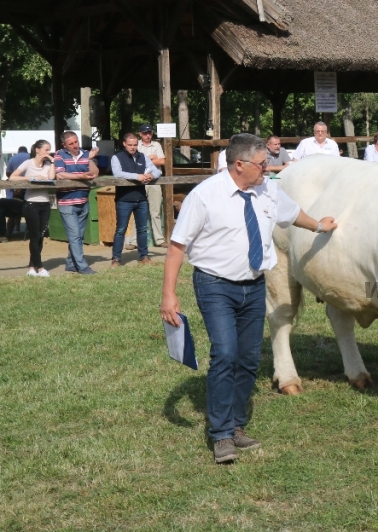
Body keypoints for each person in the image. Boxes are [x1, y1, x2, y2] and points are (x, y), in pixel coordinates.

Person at [160, 133, 338, 464]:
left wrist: (318, 225)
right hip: (216, 285)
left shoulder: (268, 189)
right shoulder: (205, 196)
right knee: (225, 354)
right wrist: (168, 295)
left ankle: (237, 425)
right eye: (262, 163)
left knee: (248, 358)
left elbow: (292, 213)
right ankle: (221, 434)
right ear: (239, 164)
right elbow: (176, 247)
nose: (268, 168)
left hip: (254, 285)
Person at [110, 132, 162, 267]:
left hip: (141, 199)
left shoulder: (143, 156)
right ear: (124, 144)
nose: (133, 147)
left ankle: (143, 256)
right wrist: (137, 176)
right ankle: (116, 258)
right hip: (124, 199)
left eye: (135, 145)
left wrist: (151, 176)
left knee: (142, 229)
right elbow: (117, 173)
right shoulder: (117, 157)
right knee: (121, 229)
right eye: (130, 145)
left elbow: (157, 171)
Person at [54, 131, 99, 275]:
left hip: (83, 200)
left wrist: (89, 159)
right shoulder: (59, 155)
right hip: (67, 201)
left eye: (76, 142)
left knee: (79, 235)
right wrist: (80, 176)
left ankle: (70, 263)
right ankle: (82, 266)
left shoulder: (85, 154)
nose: (75, 146)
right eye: (71, 143)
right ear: (64, 145)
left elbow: (95, 173)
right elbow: (60, 174)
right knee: (74, 235)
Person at [9, 140, 52, 275]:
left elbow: (52, 177)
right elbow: (12, 177)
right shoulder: (28, 163)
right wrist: (31, 177)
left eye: (49, 149)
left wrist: (53, 161)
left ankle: (31, 266)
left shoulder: (48, 164)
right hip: (31, 203)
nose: (48, 152)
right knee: (34, 237)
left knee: (41, 236)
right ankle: (40, 267)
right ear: (37, 150)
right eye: (46, 149)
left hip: (45, 203)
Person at [137, 124, 167, 247]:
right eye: (145, 133)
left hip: (154, 181)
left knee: (156, 211)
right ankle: (134, 241)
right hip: (139, 181)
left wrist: (145, 160)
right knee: (136, 211)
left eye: (149, 132)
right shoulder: (136, 145)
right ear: (140, 134)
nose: (147, 135)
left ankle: (159, 239)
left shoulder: (157, 145)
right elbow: (136, 163)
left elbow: (162, 161)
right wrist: (152, 158)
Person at [3, 145, 29, 239]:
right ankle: (25, 232)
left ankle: (9, 233)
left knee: (12, 213)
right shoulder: (30, 157)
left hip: (14, 188)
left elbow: (8, 173)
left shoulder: (13, 158)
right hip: (27, 187)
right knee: (26, 211)